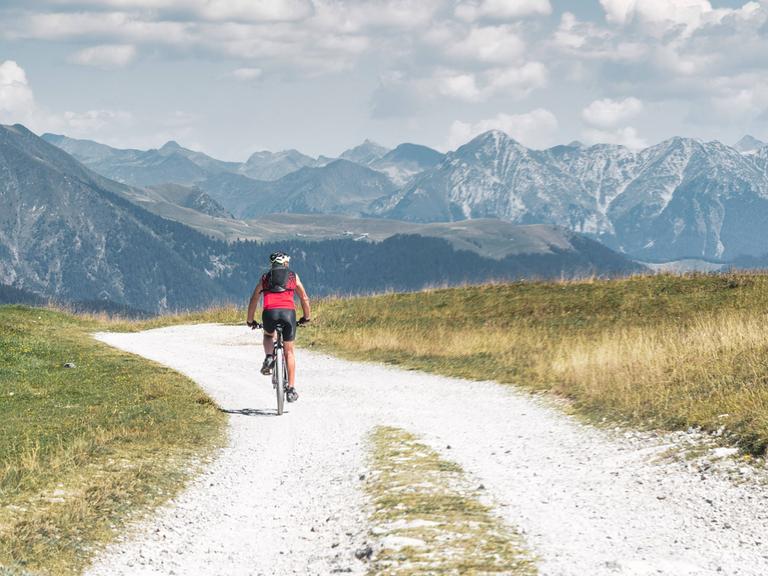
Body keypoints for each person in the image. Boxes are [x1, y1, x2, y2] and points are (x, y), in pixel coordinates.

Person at [246, 252, 311, 403]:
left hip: (270, 313)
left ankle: (269, 357)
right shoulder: (293, 277)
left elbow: (254, 298)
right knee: (289, 352)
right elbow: (304, 297)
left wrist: (250, 320)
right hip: (289, 314)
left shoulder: (265, 278)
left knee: (269, 335)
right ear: (285, 264)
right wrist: (306, 317)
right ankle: (291, 389)